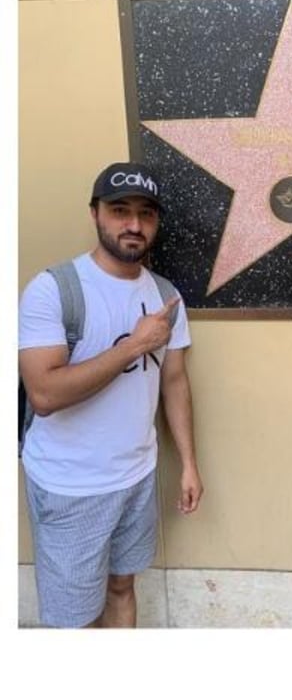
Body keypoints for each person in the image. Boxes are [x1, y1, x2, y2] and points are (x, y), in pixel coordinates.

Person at [18, 162, 203, 628]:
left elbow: (175, 382)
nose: (134, 225)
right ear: (95, 213)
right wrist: (135, 345)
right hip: (71, 485)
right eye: (120, 210)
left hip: (137, 476)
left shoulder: (165, 295)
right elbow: (44, 394)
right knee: (74, 619)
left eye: (146, 214)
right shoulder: (53, 290)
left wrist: (188, 463)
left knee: (122, 587)